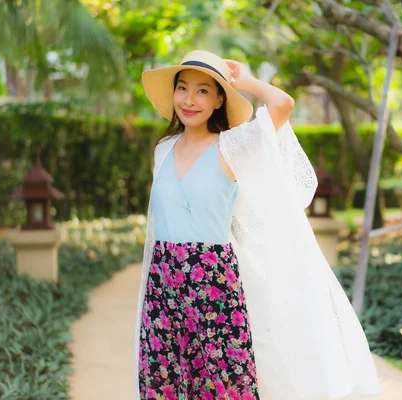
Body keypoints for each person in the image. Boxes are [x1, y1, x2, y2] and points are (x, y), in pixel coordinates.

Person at [135, 50, 379, 400]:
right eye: (183, 88)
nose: (189, 100)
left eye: (203, 91)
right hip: (163, 287)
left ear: (220, 99)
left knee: (221, 387)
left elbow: (282, 104)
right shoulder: (163, 149)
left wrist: (246, 81)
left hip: (214, 285)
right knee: (161, 385)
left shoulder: (232, 146)